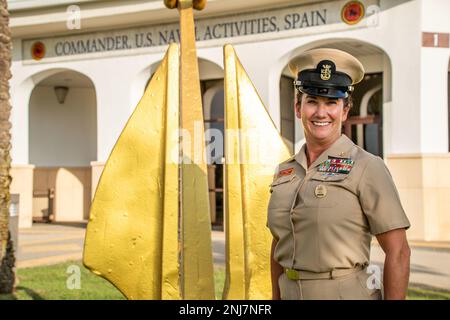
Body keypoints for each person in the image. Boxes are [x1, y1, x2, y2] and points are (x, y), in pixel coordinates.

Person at [267, 48, 411, 300]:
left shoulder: (367, 166)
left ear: (344, 111)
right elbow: (278, 244)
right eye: (312, 101)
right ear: (298, 108)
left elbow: (398, 251)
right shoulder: (284, 171)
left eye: (331, 103)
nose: (321, 113)